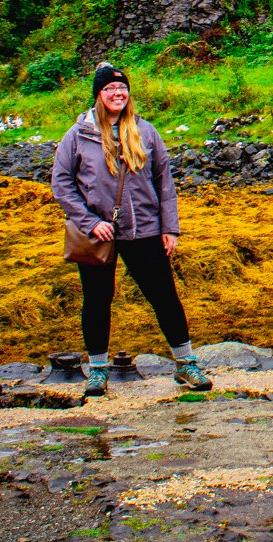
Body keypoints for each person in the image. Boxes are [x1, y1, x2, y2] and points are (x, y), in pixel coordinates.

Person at [50, 63, 209, 396]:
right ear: (98, 95)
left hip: (146, 229)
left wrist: (170, 228)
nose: (117, 93)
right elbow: (62, 183)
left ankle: (185, 364)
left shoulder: (146, 131)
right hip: (98, 235)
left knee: (164, 297)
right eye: (109, 89)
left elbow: (164, 181)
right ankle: (97, 369)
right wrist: (90, 222)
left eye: (122, 88)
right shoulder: (77, 135)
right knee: (96, 300)